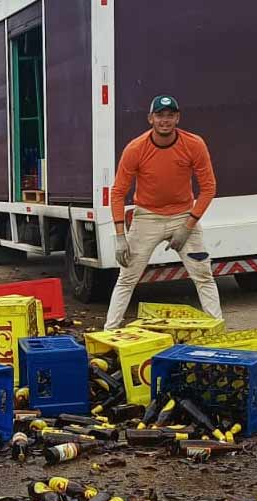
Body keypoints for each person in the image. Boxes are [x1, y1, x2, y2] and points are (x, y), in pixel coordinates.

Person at [104, 95, 221, 329]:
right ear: (150, 119)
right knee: (127, 278)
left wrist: (188, 227)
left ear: (177, 118)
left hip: (183, 216)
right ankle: (109, 331)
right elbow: (117, 192)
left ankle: (217, 328)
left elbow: (208, 188)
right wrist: (120, 237)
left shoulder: (194, 144)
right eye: (160, 115)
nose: (164, 120)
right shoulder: (136, 149)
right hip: (147, 217)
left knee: (203, 275)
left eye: (170, 115)